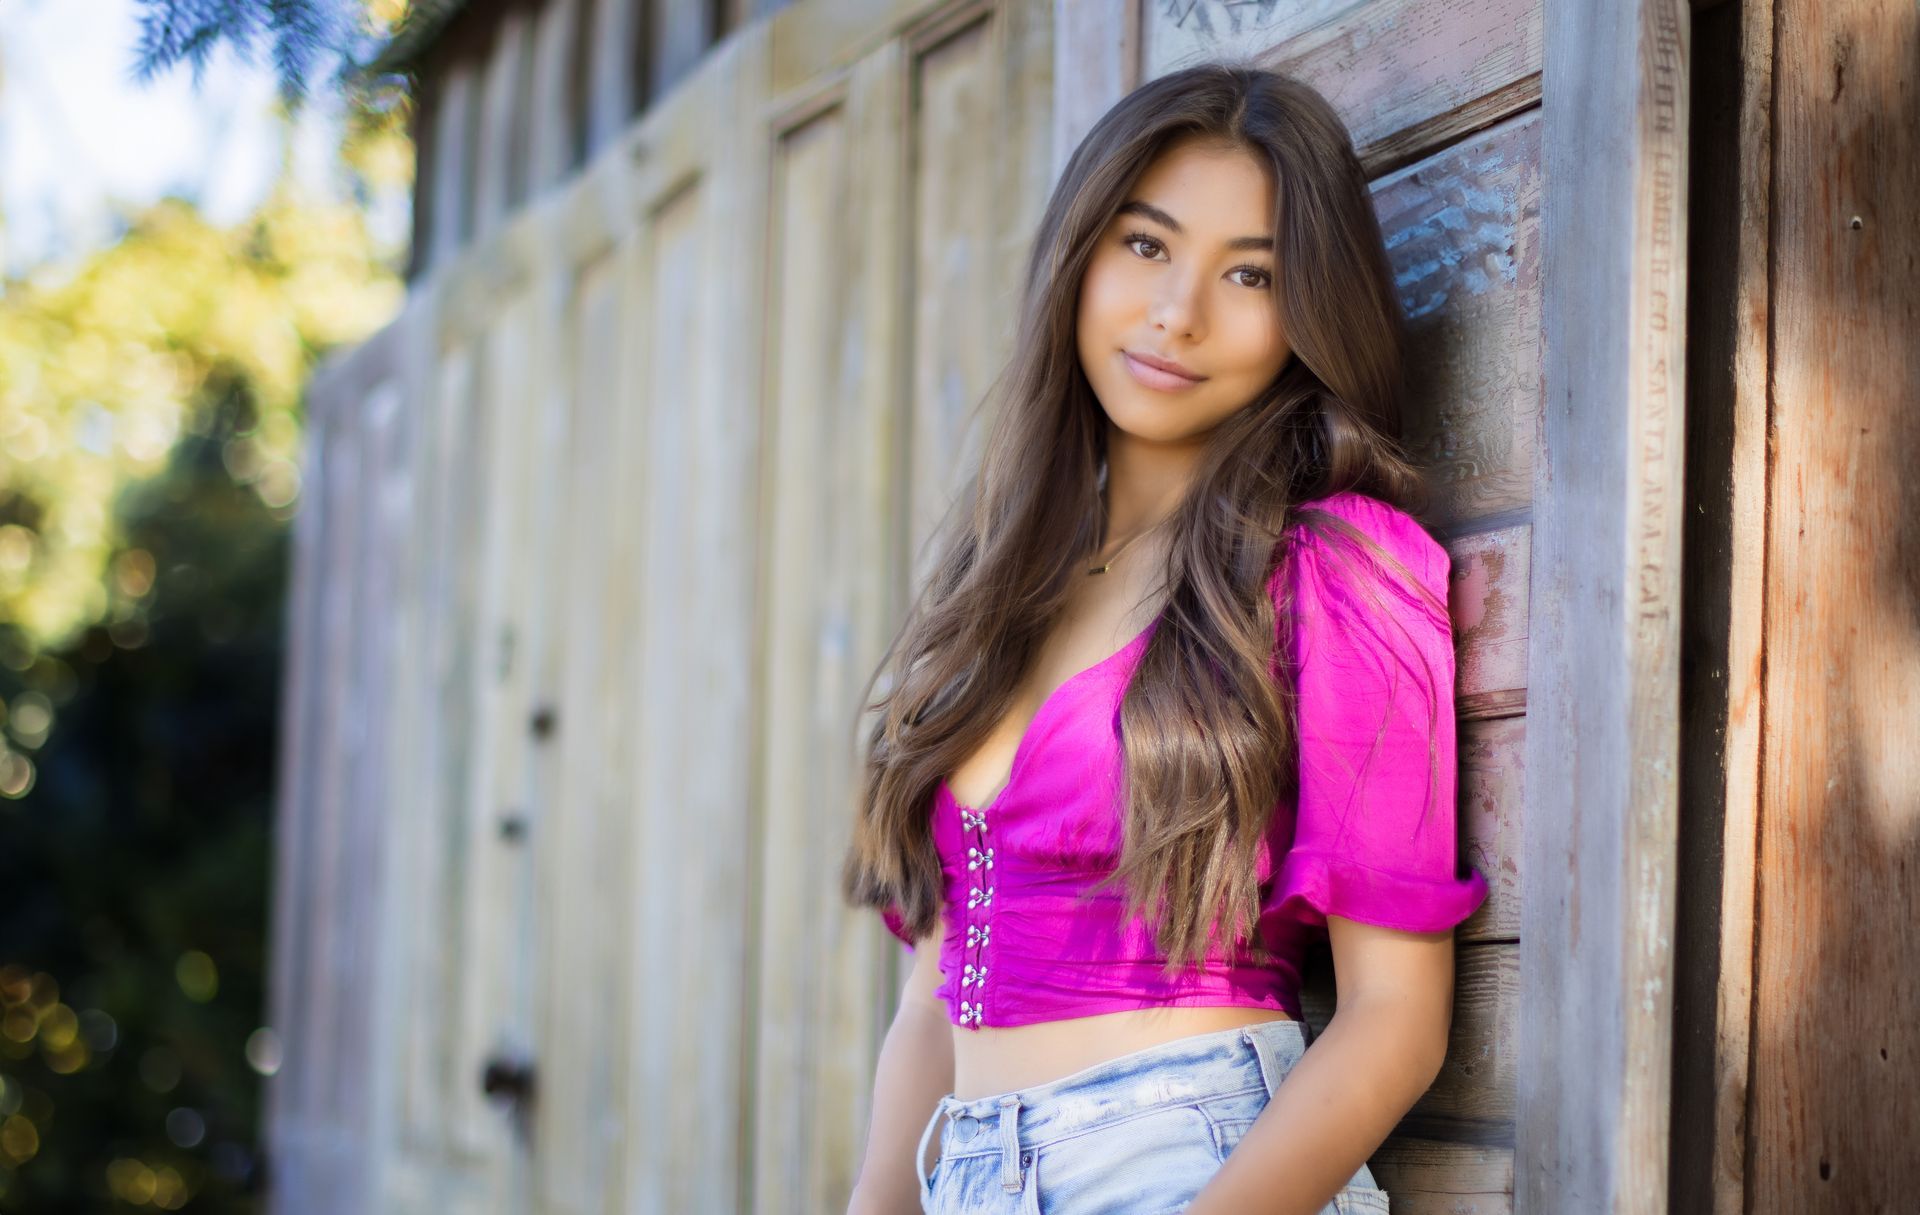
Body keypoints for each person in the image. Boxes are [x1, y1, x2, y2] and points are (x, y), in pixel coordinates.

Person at [840, 60, 1490, 1215]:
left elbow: (1395, 1024)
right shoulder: (999, 585)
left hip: (1193, 1165)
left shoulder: (1332, 566)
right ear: (1079, 256)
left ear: (1307, 316)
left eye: (1251, 273)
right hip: (975, 1173)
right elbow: (931, 999)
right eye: (1146, 246)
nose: (1177, 313)